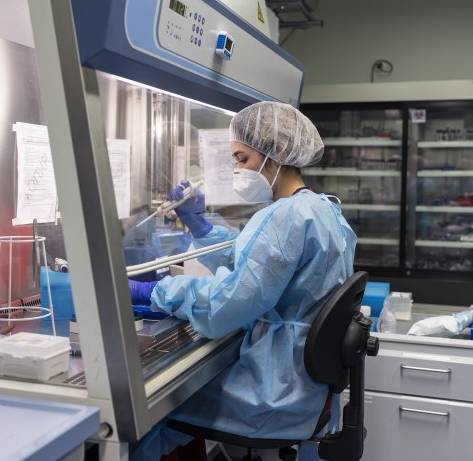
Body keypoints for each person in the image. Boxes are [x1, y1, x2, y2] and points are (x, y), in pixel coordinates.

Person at [129, 101, 357, 460]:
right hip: (304, 386)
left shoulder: (287, 217)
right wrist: (200, 227)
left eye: (242, 158)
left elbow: (227, 305)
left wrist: (154, 290)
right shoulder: (321, 208)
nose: (237, 169)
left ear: (278, 151)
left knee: (150, 415)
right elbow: (253, 264)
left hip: (276, 393)